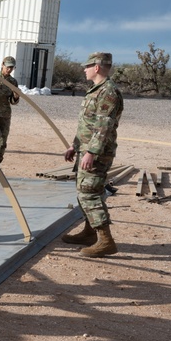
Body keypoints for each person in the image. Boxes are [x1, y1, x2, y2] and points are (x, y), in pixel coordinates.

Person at [61, 52, 123, 257]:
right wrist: (74, 145)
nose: (83, 70)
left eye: (86, 66)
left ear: (96, 67)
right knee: (84, 191)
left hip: (97, 153)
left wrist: (92, 152)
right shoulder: (95, 91)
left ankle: (106, 241)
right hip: (86, 149)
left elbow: (103, 126)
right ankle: (90, 233)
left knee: (90, 193)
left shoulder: (108, 92)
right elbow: (87, 125)